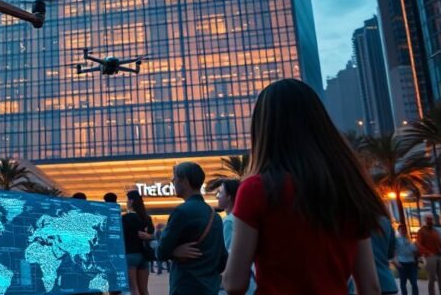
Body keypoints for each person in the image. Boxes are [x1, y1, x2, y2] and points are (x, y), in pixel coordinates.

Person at [222, 79, 385, 295]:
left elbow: (234, 283)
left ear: (263, 129)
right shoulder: (349, 187)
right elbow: (370, 286)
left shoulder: (256, 189)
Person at [156, 162, 226, 295]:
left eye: (175, 178)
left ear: (185, 182)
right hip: (210, 289)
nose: (172, 182)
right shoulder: (215, 217)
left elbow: (161, 252)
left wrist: (173, 252)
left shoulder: (181, 212)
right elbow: (222, 259)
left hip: (185, 287)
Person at [215, 179, 254, 295]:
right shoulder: (242, 219)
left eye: (220, 192)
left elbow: (227, 255)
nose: (217, 196)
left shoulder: (228, 221)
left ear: (229, 197)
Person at [122, 189, 154, 295]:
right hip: (144, 255)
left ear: (131, 201)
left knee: (133, 289)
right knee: (144, 290)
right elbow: (151, 234)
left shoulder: (125, 218)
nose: (126, 202)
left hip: (130, 255)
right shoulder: (147, 218)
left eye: (127, 200)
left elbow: (122, 237)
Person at [416, 214, 441, 295]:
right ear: (425, 220)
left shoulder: (435, 231)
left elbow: (439, 242)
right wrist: (428, 253)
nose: (430, 221)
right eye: (428, 219)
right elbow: (418, 245)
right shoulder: (421, 231)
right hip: (430, 257)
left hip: (439, 256)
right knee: (432, 278)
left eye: (431, 219)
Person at [394, 223, 419, 295]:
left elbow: (414, 251)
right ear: (398, 231)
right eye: (401, 229)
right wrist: (396, 262)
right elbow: (394, 251)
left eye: (405, 229)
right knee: (403, 283)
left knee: (414, 282)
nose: (403, 231)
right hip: (402, 263)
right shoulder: (396, 240)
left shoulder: (410, 240)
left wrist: (416, 259)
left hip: (411, 263)